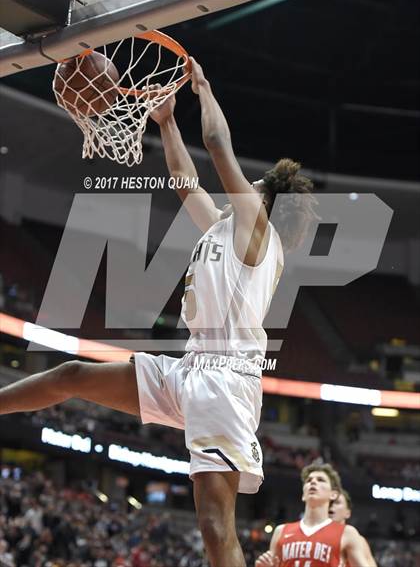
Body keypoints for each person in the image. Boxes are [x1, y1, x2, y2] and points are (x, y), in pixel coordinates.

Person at [0, 58, 317, 567]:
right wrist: (167, 120)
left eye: (255, 185)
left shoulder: (260, 226)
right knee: (73, 373)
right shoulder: (222, 226)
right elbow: (183, 179)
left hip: (225, 381)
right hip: (190, 369)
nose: (246, 186)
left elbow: (216, 146)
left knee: (215, 528)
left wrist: (205, 90)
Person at [255, 463, 375, 567]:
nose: (313, 482)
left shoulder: (347, 533)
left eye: (320, 480)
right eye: (309, 480)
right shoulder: (281, 531)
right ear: (303, 494)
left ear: (333, 494)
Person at [329, 489, 377, 567]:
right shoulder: (314, 536)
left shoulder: (358, 540)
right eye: (329, 503)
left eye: (337, 502)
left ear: (347, 513)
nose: (331, 506)